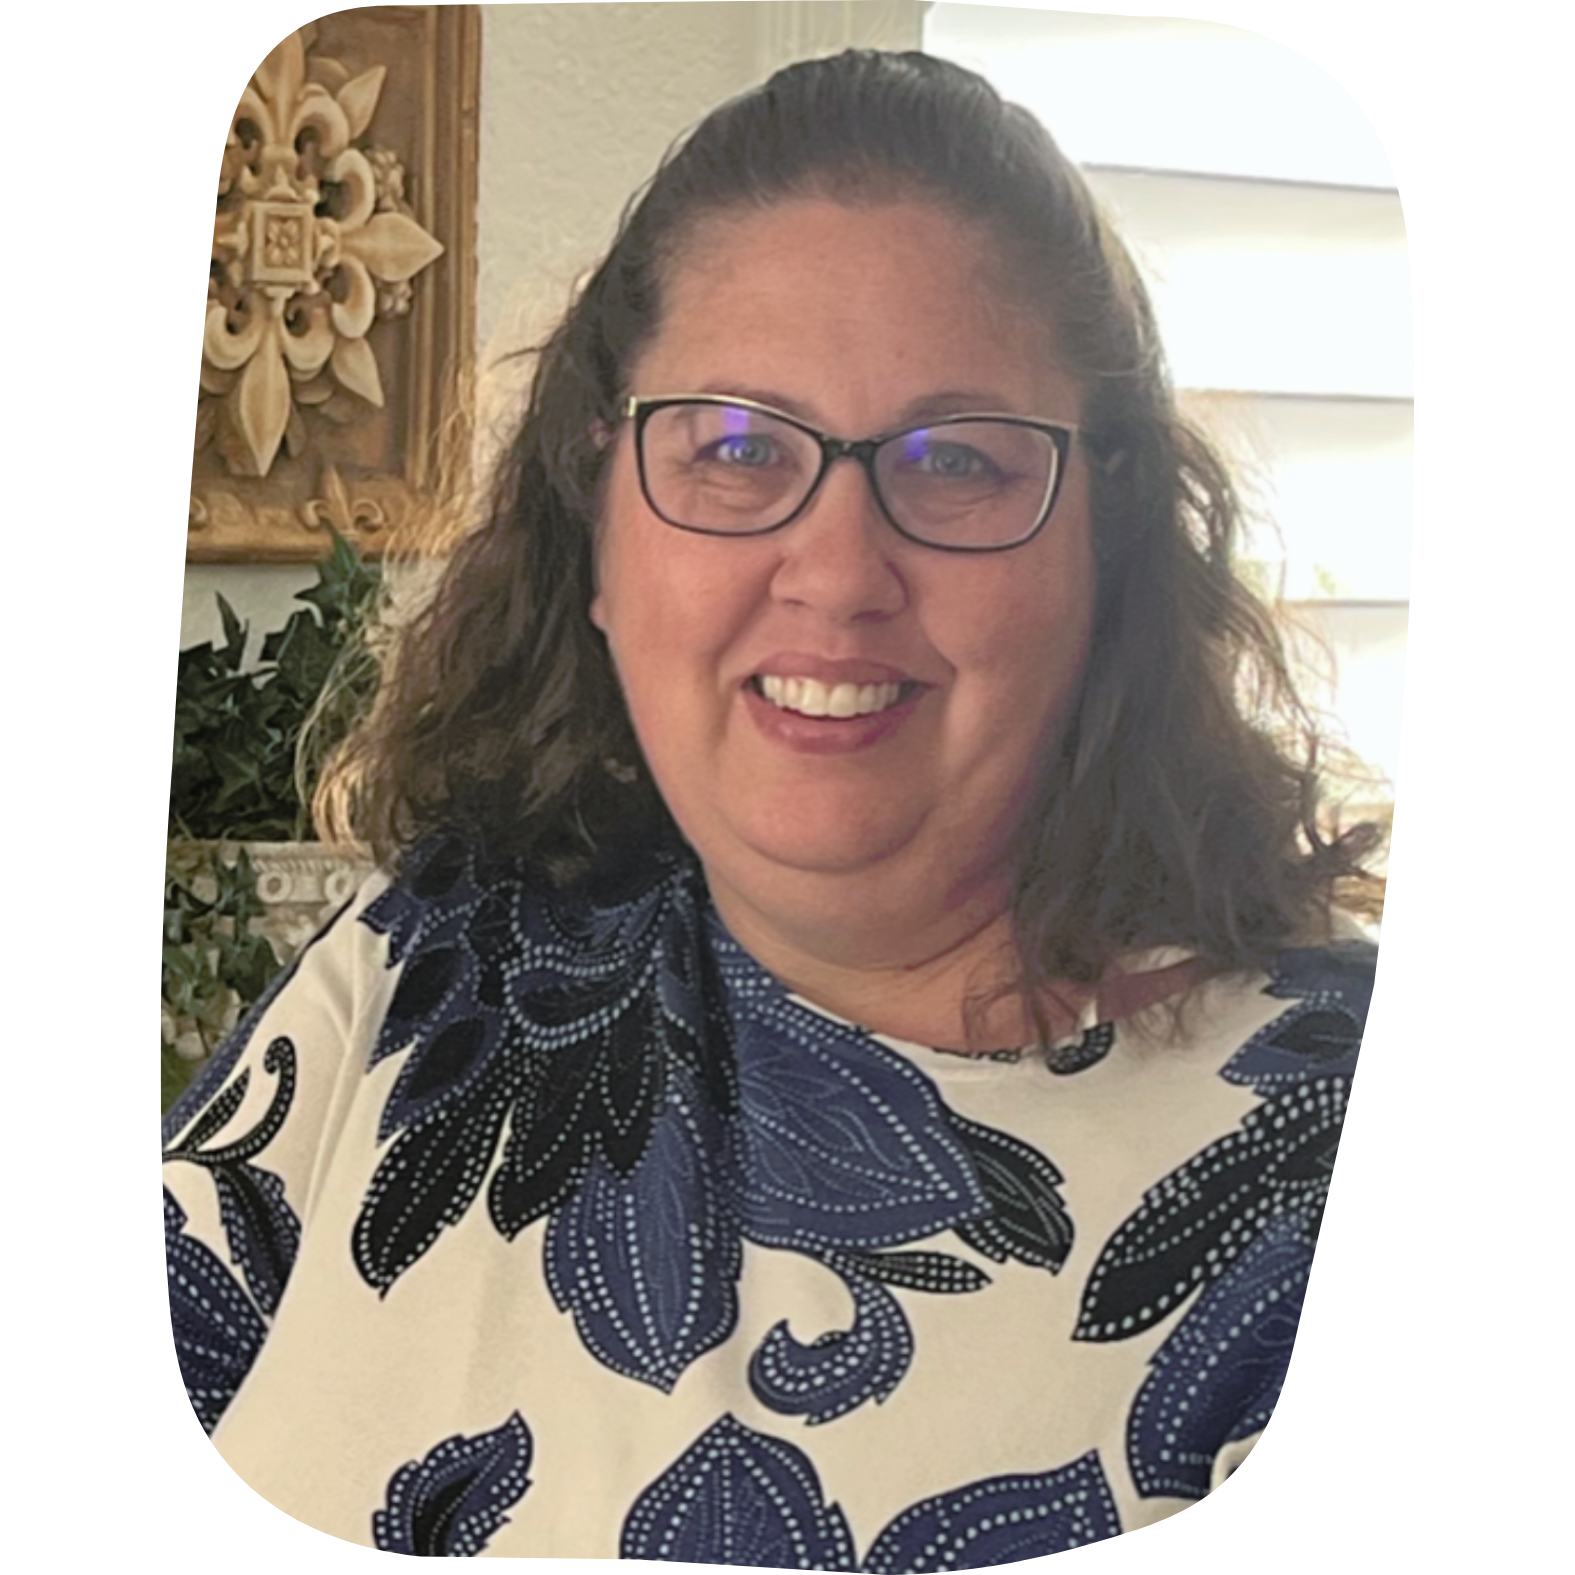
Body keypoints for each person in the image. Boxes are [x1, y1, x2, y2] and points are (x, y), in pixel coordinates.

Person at [164, 49, 1383, 1571]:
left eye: (955, 462)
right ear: (596, 536)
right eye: (735, 448)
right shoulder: (414, 970)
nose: (835, 569)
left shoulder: (1382, 1162)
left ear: (1108, 556)